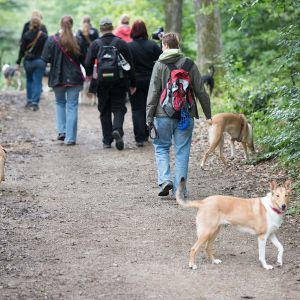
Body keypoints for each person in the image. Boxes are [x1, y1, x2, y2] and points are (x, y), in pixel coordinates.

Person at [146, 32, 212, 197]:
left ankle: (165, 179)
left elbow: (153, 93)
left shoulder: (159, 64)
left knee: (161, 147)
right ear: (178, 45)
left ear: (165, 46)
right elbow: (201, 91)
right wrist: (208, 114)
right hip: (185, 115)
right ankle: (180, 191)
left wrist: (149, 116)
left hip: (162, 115)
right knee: (182, 152)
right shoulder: (189, 64)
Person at [85, 16, 136, 150]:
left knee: (104, 109)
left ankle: (107, 140)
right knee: (119, 108)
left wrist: (91, 75)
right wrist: (132, 83)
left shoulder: (95, 44)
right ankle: (117, 130)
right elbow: (130, 64)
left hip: (101, 82)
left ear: (101, 29)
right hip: (119, 81)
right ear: (112, 28)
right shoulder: (121, 43)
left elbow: (87, 63)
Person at [41, 15, 85, 145]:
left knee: (60, 103)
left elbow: (45, 58)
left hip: (57, 77)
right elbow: (85, 59)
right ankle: (70, 138)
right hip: (75, 78)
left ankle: (62, 131)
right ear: (72, 25)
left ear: (60, 25)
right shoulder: (78, 40)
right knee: (72, 106)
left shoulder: (52, 40)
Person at [128, 20, 162, 147]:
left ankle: (139, 138)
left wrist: (129, 83)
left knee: (137, 109)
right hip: (150, 81)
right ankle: (147, 133)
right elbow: (163, 58)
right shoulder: (152, 45)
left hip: (134, 81)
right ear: (145, 31)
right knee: (149, 107)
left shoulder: (129, 46)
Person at [16, 16, 48, 111]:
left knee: (29, 80)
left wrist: (18, 62)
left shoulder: (26, 35)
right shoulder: (44, 36)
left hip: (28, 61)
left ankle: (29, 100)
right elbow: (47, 49)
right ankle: (35, 103)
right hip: (40, 61)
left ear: (30, 24)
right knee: (38, 81)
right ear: (40, 25)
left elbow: (21, 50)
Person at [76, 15, 99, 105]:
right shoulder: (95, 31)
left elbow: (78, 45)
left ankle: (81, 98)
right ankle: (94, 98)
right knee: (94, 77)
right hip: (93, 59)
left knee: (84, 79)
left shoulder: (79, 32)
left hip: (82, 59)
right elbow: (98, 44)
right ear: (90, 22)